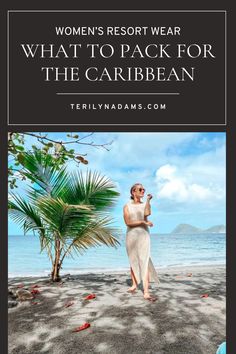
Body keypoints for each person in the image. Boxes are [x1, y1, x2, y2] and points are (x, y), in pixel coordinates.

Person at [123, 183, 159, 301]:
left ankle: (146, 291)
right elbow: (128, 223)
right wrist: (142, 222)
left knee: (144, 260)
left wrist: (148, 200)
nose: (143, 191)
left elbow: (147, 213)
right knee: (133, 259)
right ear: (133, 192)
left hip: (144, 235)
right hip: (131, 235)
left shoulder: (144, 204)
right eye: (140, 189)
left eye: (144, 189)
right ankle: (134, 284)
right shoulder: (127, 206)